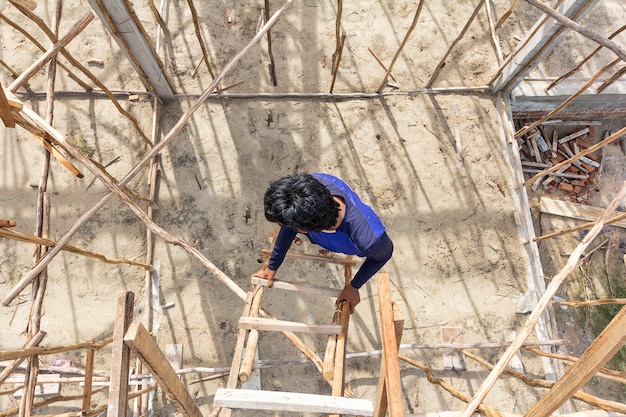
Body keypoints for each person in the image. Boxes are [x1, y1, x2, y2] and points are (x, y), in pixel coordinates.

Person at [255, 173, 393, 313]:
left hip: (345, 239)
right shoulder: (310, 185)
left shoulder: (368, 240)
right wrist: (272, 266)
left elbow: (383, 256)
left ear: (302, 230)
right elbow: (289, 225)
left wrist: (353, 286)